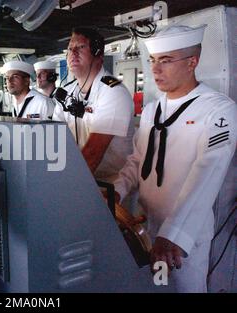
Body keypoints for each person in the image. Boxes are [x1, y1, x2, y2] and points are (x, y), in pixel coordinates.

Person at [113, 24, 236, 292]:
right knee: (156, 288)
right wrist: (116, 192)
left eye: (166, 61)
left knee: (184, 289)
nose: (155, 70)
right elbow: (137, 161)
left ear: (193, 62)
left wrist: (172, 236)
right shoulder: (151, 110)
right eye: (153, 60)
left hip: (184, 234)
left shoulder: (219, 111)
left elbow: (208, 172)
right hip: (146, 223)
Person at [52, 27, 134, 183]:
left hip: (112, 185)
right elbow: (56, 138)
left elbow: (93, 153)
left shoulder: (113, 92)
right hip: (80, 175)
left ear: (98, 54)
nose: (73, 54)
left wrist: (64, 187)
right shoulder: (67, 91)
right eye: (70, 49)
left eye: (81, 47)